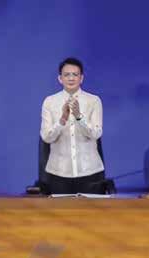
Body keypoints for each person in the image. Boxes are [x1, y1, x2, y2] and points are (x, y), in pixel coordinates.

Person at [40, 57, 105, 194]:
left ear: (81, 78)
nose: (71, 78)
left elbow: (96, 134)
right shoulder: (49, 102)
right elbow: (46, 137)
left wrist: (78, 116)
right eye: (67, 75)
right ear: (60, 78)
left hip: (90, 172)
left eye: (75, 74)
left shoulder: (93, 101)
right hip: (58, 173)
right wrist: (62, 120)